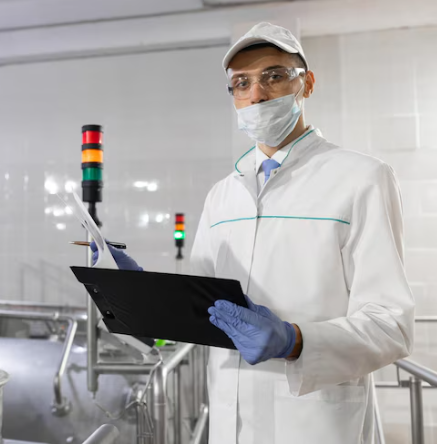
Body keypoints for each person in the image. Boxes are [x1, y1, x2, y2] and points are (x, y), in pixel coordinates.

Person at [93, 22, 414, 444]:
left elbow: (391, 326)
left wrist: (296, 340)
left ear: (307, 84)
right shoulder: (222, 196)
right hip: (233, 423)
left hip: (318, 425)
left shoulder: (362, 178)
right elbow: (196, 313)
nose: (257, 94)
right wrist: (136, 298)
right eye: (241, 83)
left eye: (274, 76)